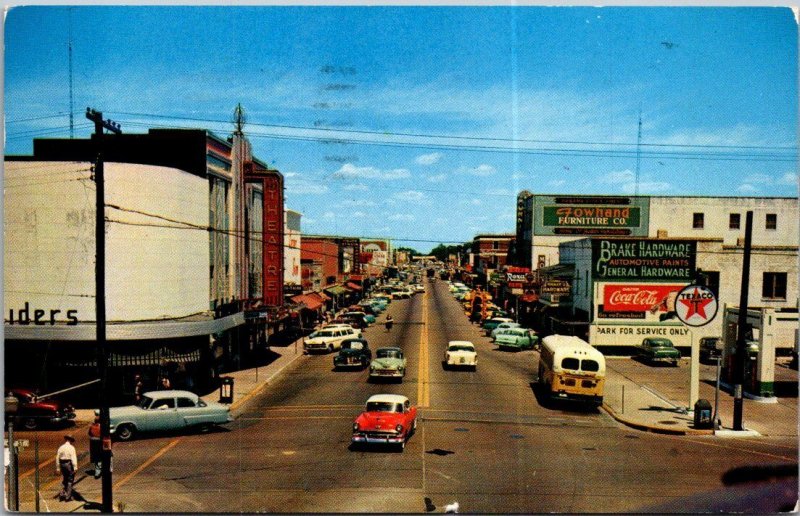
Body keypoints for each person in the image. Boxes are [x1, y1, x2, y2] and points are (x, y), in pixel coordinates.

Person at [56, 434, 77, 502]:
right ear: (71, 441)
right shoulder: (72, 448)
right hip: (69, 464)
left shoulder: (61, 447)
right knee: (70, 480)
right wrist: (75, 467)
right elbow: (73, 458)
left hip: (62, 464)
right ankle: (68, 497)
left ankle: (62, 493)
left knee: (65, 479)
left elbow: (57, 458)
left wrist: (58, 468)